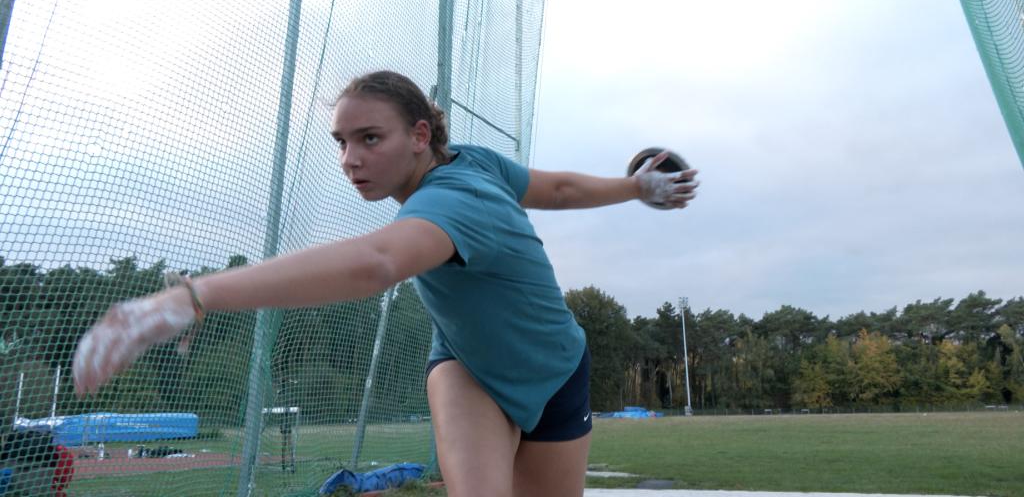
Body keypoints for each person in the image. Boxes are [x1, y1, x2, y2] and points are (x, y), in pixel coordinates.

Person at [72, 70, 699, 497]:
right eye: (342, 141)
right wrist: (636, 188)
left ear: (420, 135)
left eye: (370, 138)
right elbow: (556, 188)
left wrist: (195, 295)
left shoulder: (458, 194)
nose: (351, 159)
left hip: (557, 371)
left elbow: (376, 262)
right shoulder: (468, 164)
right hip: (467, 366)